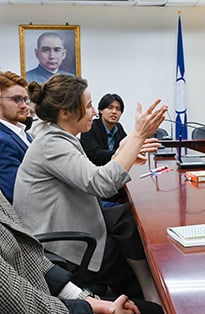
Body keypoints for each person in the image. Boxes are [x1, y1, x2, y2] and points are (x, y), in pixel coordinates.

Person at [13, 74, 167, 308]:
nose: (94, 112)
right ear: (65, 113)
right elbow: (102, 184)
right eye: (88, 106)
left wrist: (125, 152)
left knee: (126, 219)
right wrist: (137, 135)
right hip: (62, 246)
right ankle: (153, 296)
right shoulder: (51, 143)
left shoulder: (59, 137)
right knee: (128, 240)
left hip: (73, 225)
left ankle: (150, 289)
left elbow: (90, 175)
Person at [0, 189, 150, 314]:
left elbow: (30, 256)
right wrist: (93, 308)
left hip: (50, 295)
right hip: (51, 296)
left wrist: (87, 299)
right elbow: (21, 306)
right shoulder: (49, 151)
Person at [80, 93, 128, 206]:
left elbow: (127, 147)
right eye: (110, 108)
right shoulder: (90, 127)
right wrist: (121, 154)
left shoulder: (119, 128)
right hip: (97, 183)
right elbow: (95, 155)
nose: (114, 112)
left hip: (115, 180)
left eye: (118, 109)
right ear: (101, 110)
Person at [0, 71, 32, 204]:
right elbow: (17, 192)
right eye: (16, 99)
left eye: (25, 99)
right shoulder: (2, 140)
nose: (24, 105)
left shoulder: (23, 133)